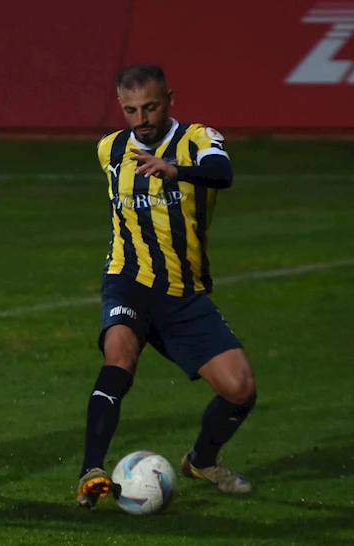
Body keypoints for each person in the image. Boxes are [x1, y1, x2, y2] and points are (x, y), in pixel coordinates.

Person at [76, 63, 257, 508]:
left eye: (151, 107)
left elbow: (222, 174)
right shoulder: (110, 150)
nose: (142, 119)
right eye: (132, 109)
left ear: (170, 99)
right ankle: (91, 473)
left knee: (240, 389)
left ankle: (201, 459)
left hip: (183, 292)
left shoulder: (198, 139)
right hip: (128, 279)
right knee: (119, 358)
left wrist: (175, 171)